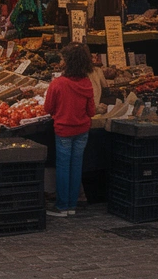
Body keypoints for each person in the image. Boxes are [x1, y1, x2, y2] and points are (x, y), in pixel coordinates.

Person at [44, 42, 96, 217]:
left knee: (63, 167)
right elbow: (92, 111)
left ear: (68, 61)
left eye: (62, 59)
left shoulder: (58, 84)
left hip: (64, 131)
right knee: (76, 166)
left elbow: (48, 108)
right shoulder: (87, 83)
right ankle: (72, 205)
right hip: (82, 131)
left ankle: (62, 206)